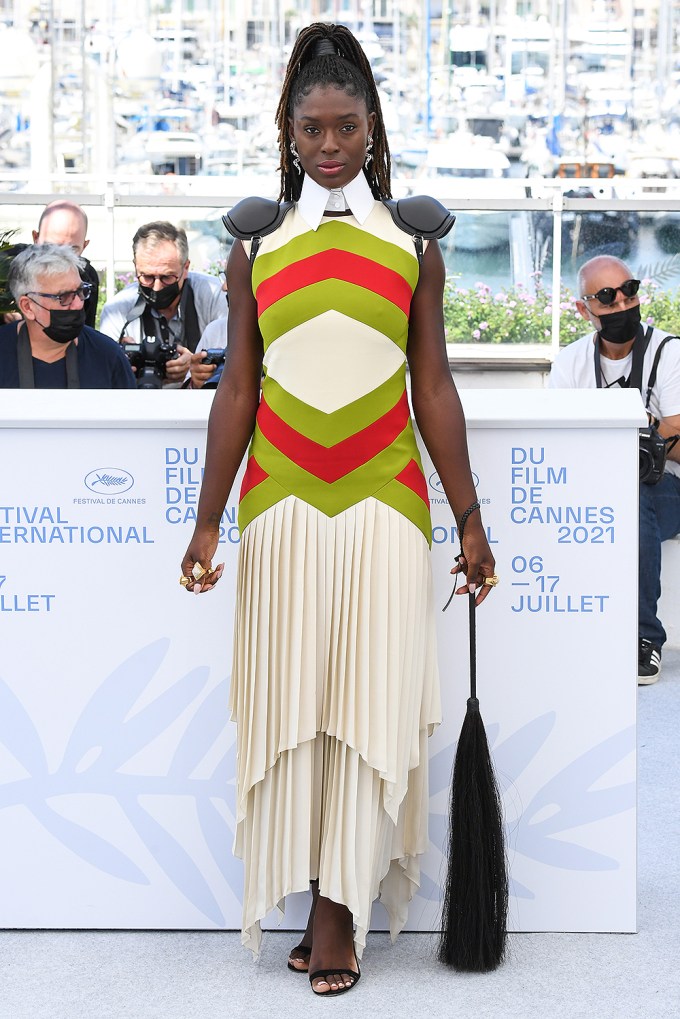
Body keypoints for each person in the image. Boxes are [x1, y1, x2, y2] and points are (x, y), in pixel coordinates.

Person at [180, 23, 496, 997]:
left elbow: (431, 387)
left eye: (344, 128)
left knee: (365, 705)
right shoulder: (253, 245)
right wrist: (204, 522)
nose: (327, 145)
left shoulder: (412, 243)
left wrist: (469, 517)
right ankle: (322, 888)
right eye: (310, 129)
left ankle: (337, 911)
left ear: (370, 131)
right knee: (297, 709)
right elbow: (239, 387)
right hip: (276, 499)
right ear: (286, 131)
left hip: (384, 501)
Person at [549, 254, 680, 684]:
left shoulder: (669, 353)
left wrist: (625, 426)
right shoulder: (570, 363)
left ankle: (645, 639)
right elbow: (558, 440)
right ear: (584, 309)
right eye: (607, 297)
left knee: (633, 496)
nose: (623, 304)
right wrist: (638, 428)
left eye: (630, 291)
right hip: (591, 485)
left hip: (663, 490)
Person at [99, 221, 225, 388]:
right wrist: (123, 363)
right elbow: (105, 380)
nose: (157, 287)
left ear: (186, 268)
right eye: (147, 277)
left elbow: (230, 361)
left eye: (167, 277)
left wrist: (195, 370)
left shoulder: (215, 296)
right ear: (136, 268)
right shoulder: (117, 310)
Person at [0, 243, 135, 389]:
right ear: (28, 307)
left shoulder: (108, 356)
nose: (78, 304)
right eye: (63, 297)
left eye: (80, 291)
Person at [33, 200, 100, 327]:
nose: (61, 257)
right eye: (51, 247)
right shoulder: (7, 269)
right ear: (36, 238)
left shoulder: (87, 277)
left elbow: (86, 331)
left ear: (84, 246)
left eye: (71, 250)